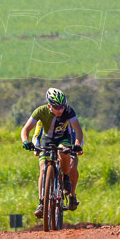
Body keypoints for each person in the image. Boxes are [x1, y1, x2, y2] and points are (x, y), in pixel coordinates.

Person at [20, 87, 84, 217]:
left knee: (63, 152)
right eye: (57, 107)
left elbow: (78, 130)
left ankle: (66, 179)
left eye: (62, 106)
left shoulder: (69, 111)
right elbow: (26, 129)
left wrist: (77, 144)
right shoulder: (41, 111)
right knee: (43, 168)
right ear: (49, 105)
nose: (60, 110)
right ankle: (42, 203)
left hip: (64, 138)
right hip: (47, 139)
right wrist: (25, 141)